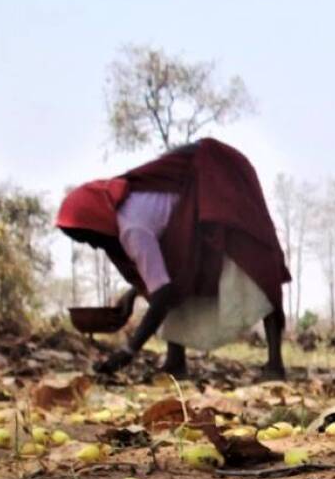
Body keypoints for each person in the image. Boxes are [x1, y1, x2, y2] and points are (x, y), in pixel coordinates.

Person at [56, 138, 291, 380]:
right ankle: (175, 362)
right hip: (200, 203)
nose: (94, 246)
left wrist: (129, 350)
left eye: (88, 237)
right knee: (173, 276)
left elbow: (162, 295)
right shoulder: (125, 211)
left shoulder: (132, 228)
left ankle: (275, 365)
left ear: (96, 218)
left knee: (258, 267)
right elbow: (161, 274)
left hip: (223, 183)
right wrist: (133, 293)